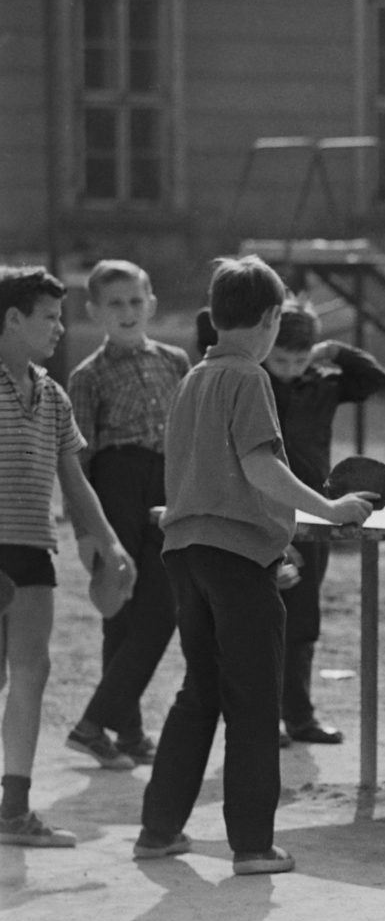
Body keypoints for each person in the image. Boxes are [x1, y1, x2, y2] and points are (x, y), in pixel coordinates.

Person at [135, 256, 373, 875]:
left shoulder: (192, 379)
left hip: (187, 553)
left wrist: (275, 543)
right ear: (271, 320)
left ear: (217, 316)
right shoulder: (250, 377)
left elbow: (205, 476)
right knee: (253, 700)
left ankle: (158, 830)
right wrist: (329, 507)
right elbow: (261, 467)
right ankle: (252, 845)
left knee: (200, 691)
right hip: (236, 561)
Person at [0, 267, 136, 848]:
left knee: (33, 671)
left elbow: (75, 483)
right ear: (12, 319)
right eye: (50, 318)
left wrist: (110, 543)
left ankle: (13, 810)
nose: (60, 328)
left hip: (34, 549)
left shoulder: (52, 395)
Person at [62, 260, 190, 769]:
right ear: (94, 312)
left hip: (165, 484)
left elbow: (188, 432)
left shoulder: (177, 361)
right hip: (114, 486)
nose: (127, 312)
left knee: (161, 606)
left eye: (136, 301)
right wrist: (87, 534)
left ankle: (102, 723)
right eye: (115, 304)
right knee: (121, 613)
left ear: (151, 304)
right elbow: (78, 461)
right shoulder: (86, 376)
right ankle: (119, 729)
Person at [262, 301, 385, 746]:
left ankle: (299, 717)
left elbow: (377, 379)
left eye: (300, 359)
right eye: (281, 358)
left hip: (317, 510)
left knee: (303, 619)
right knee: (263, 619)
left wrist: (333, 351)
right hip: (264, 511)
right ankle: (263, 718)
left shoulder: (322, 383)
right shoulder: (253, 383)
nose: (291, 368)